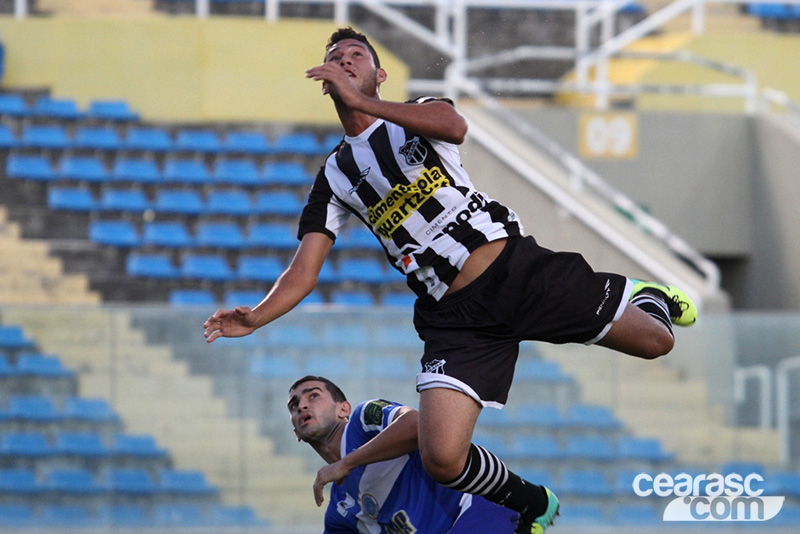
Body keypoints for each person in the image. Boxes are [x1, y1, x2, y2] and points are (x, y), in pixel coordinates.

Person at [204, 26, 698, 533]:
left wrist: (367, 104)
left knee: (656, 341)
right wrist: (257, 316)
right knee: (441, 456)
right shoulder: (334, 176)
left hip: (515, 274)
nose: (346, 61)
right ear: (324, 82)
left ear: (380, 74)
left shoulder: (418, 112)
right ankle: (533, 504)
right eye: (336, 58)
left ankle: (647, 294)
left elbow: (455, 125)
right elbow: (304, 269)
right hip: (456, 320)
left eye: (358, 55)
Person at [287, 375, 518, 533]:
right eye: (294, 405)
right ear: (296, 432)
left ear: (343, 409)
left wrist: (347, 463)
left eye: (313, 396)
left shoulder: (363, 418)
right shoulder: (339, 513)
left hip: (477, 513)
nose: (302, 406)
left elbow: (416, 424)